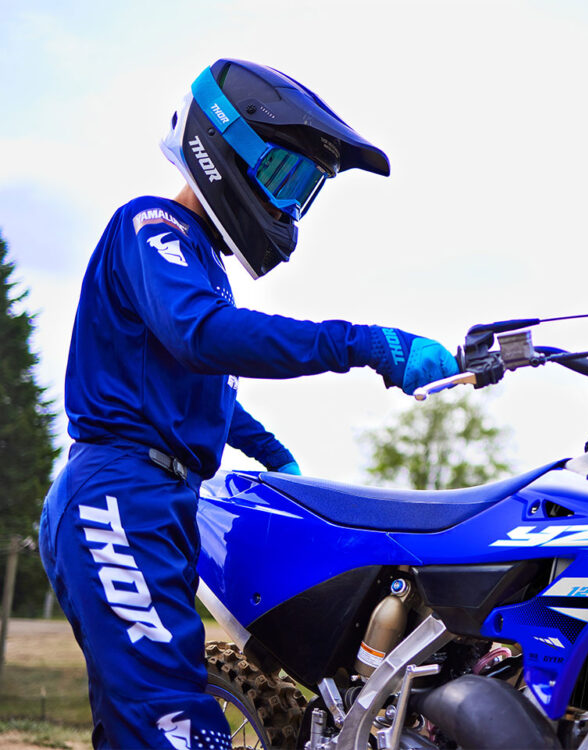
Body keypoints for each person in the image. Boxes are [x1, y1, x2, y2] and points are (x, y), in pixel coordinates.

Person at [38, 58, 458, 749]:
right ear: (223, 147)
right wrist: (363, 344)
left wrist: (274, 458)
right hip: (119, 495)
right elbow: (204, 338)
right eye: (282, 173)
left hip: (158, 497)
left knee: (138, 721)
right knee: (175, 726)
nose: (287, 201)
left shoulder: (197, 263)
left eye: (303, 189)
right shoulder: (154, 225)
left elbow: (203, 394)